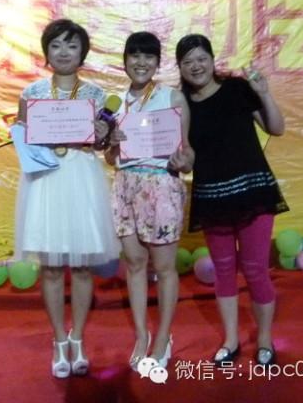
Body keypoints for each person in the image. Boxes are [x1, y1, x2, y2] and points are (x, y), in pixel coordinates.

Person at [14, 19, 120, 378]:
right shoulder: (31, 93)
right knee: (52, 267)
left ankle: (78, 338)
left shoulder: (95, 94)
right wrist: (29, 138)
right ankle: (59, 340)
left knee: (82, 266)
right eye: (56, 45)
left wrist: (104, 134)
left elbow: (103, 144)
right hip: (46, 180)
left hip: (81, 178)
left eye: (72, 46)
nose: (63, 52)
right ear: (46, 51)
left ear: (82, 54)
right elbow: (22, 139)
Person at [175, 34, 289, 367]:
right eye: (187, 62)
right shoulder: (181, 105)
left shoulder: (238, 89)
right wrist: (180, 162)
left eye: (201, 58)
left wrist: (264, 93)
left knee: (255, 270)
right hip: (213, 198)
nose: (196, 66)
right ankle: (230, 340)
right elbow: (188, 156)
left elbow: (276, 128)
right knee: (224, 272)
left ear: (212, 60)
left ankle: (264, 339)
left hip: (253, 192)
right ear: (180, 68)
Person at [105, 31, 194, 370]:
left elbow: (187, 154)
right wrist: (112, 144)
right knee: (134, 263)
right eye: (135, 55)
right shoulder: (114, 103)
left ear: (157, 62)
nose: (141, 62)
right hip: (124, 186)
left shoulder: (172, 98)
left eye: (148, 56)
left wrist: (182, 162)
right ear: (125, 61)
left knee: (165, 268)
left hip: (161, 186)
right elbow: (111, 158)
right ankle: (142, 335)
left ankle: (163, 337)